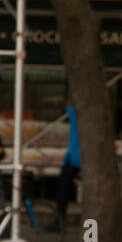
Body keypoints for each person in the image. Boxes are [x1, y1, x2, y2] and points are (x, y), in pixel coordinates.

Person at [55, 97, 80, 227]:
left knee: (63, 189)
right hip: (77, 159)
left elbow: (69, 105)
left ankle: (59, 220)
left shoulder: (75, 116)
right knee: (65, 189)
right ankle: (59, 219)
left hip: (73, 159)